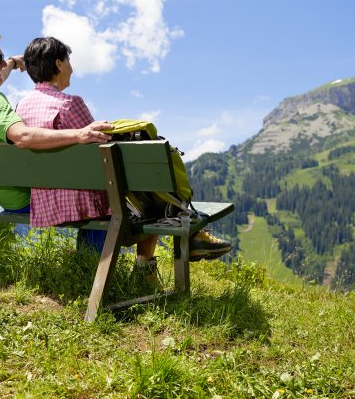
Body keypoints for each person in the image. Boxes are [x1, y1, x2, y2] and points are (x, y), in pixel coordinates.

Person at [16, 37, 232, 264]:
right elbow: (100, 147)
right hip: (78, 201)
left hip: (42, 200)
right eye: (69, 61)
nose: (72, 68)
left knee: (141, 183)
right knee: (147, 189)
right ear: (59, 64)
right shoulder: (69, 103)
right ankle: (148, 267)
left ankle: (189, 237)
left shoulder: (21, 106)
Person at [0, 29, 113, 217]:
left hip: (3, 194)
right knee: (94, 193)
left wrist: (11, 63)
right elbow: (22, 137)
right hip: (26, 197)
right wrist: (79, 134)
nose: (2, 63)